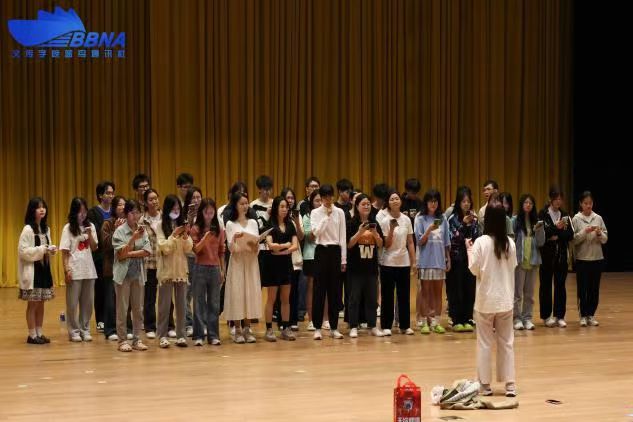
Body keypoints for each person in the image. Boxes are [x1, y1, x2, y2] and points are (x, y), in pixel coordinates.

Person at [466, 203, 518, 398]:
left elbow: (474, 270)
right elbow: (512, 267)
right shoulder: (510, 243)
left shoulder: (480, 242)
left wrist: (469, 250)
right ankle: (510, 385)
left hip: (485, 301)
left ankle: (485, 385)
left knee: (484, 343)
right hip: (505, 299)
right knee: (507, 343)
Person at [112, 199, 152, 352]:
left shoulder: (142, 230)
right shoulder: (119, 231)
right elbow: (121, 255)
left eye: (138, 213)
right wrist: (133, 239)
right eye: (132, 213)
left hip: (138, 274)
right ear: (126, 214)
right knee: (122, 309)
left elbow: (147, 251)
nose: (136, 216)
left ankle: (137, 339)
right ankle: (122, 340)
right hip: (123, 275)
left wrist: (130, 253)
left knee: (138, 309)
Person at [224, 192, 263, 343]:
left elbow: (256, 247)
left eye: (247, 203)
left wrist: (255, 245)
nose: (245, 206)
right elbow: (231, 249)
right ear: (235, 205)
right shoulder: (230, 224)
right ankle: (238, 329)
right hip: (238, 262)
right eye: (242, 203)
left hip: (251, 262)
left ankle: (247, 328)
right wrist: (234, 239)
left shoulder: (253, 222)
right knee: (238, 293)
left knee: (249, 293)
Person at [310, 184, 347, 340]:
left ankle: (334, 328)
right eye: (325, 197)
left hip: (335, 251)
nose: (328, 200)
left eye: (330, 196)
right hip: (321, 250)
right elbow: (316, 233)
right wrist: (326, 216)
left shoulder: (340, 212)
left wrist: (343, 259)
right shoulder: (315, 212)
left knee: (335, 291)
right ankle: (317, 328)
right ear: (321, 197)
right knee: (319, 291)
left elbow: (342, 236)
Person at [156, 194, 193, 348]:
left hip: (181, 270)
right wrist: (174, 235)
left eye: (178, 208)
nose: (176, 211)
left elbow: (189, 248)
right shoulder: (160, 225)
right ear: (167, 209)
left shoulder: (182, 224)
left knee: (181, 306)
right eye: (173, 208)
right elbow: (164, 248)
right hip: (166, 271)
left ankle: (181, 336)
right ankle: (162, 336)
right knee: (164, 306)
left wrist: (185, 235)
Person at [18, 197, 56, 344]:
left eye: (43, 207)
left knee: (41, 303)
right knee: (33, 303)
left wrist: (51, 250)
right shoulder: (28, 229)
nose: (42, 210)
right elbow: (22, 251)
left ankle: (39, 333)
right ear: (32, 210)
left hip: (44, 269)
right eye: (38, 207)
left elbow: (46, 247)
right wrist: (41, 249)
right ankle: (32, 335)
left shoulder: (46, 229)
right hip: (33, 271)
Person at [60, 197, 98, 342]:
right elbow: (64, 252)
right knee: (72, 303)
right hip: (74, 269)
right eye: (79, 211)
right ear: (74, 212)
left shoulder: (91, 226)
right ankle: (74, 331)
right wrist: (67, 270)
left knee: (88, 303)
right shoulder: (68, 228)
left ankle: (85, 329)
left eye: (85, 211)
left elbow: (94, 247)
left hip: (89, 270)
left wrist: (90, 235)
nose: (83, 214)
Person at [346, 194, 385, 337]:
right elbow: (349, 244)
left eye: (368, 203)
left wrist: (375, 234)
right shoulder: (352, 223)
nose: (367, 206)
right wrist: (360, 232)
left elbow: (380, 244)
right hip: (355, 268)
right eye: (363, 204)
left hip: (371, 268)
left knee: (371, 298)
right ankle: (353, 326)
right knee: (354, 298)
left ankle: (372, 326)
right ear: (357, 206)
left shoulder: (375, 223)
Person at [262, 196, 300, 341]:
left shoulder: (290, 225)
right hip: (272, 265)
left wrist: (283, 250)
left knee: (286, 299)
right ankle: (269, 329)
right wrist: (285, 245)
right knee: (271, 299)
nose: (285, 209)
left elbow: (295, 245)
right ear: (276, 208)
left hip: (286, 264)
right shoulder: (270, 224)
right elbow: (271, 246)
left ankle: (286, 328)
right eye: (282, 206)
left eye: (286, 207)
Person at [379, 190, 416, 336]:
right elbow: (386, 245)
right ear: (388, 203)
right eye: (392, 199)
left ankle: (405, 325)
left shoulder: (406, 220)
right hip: (388, 262)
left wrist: (414, 262)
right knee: (387, 295)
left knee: (404, 295)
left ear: (400, 201)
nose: (395, 201)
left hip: (404, 262)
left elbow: (410, 242)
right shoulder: (384, 221)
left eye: (397, 198)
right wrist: (392, 229)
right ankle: (386, 325)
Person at [414, 189, 451, 335]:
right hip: (425, 261)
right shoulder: (420, 218)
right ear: (426, 202)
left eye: (435, 201)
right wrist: (429, 229)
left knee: (437, 292)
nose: (433, 204)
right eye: (430, 201)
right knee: (425, 292)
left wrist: (448, 258)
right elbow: (419, 241)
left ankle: (435, 321)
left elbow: (446, 241)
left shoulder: (443, 218)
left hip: (439, 260)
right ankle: (424, 321)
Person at [190, 198, 226, 346]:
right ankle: (199, 335)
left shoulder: (219, 229)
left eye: (212, 212)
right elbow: (195, 250)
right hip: (200, 267)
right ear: (202, 212)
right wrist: (204, 238)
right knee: (199, 303)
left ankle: (213, 335)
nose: (209, 215)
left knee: (214, 303)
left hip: (215, 268)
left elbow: (221, 251)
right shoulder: (195, 229)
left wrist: (222, 270)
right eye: (206, 212)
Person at [538, 186, 574, 328]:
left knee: (560, 285)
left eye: (560, 199)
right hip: (546, 256)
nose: (558, 201)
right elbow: (542, 233)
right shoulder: (543, 214)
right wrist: (556, 228)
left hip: (561, 256)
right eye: (556, 199)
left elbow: (570, 234)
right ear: (550, 199)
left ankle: (560, 316)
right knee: (545, 285)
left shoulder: (565, 215)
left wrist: (556, 235)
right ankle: (546, 316)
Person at [446, 187, 480, 333]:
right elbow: (452, 239)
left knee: (469, 289)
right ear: (458, 203)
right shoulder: (452, 219)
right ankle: (456, 319)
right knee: (456, 289)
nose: (466, 204)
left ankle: (468, 318)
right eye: (463, 201)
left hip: (470, 259)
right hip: (456, 259)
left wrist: (471, 224)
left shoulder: (474, 219)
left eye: (468, 201)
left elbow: (477, 237)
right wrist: (463, 225)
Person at [572, 191, 608, 327]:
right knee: (583, 289)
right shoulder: (576, 219)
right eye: (586, 203)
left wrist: (599, 234)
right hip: (582, 259)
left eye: (590, 203)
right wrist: (584, 232)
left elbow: (605, 239)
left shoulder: (598, 218)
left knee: (594, 289)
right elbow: (573, 240)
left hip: (597, 258)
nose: (588, 206)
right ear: (581, 204)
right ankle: (583, 315)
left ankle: (591, 315)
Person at [512, 194, 545, 331]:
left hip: (533, 260)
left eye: (530, 203)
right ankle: (516, 318)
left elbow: (541, 242)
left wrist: (539, 230)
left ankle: (527, 318)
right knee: (517, 293)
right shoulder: (515, 220)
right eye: (526, 202)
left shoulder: (537, 221)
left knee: (529, 294)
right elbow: (511, 240)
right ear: (521, 204)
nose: (528, 205)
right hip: (519, 260)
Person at [87, 180, 115, 334]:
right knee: (100, 289)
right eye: (107, 193)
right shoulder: (93, 212)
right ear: (100, 195)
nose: (110, 196)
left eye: (112, 193)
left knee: (113, 289)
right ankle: (101, 320)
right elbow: (97, 234)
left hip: (114, 255)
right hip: (99, 256)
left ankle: (112, 318)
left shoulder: (115, 211)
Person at [100, 195, 127, 341]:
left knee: (125, 301)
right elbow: (105, 244)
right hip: (111, 267)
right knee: (111, 301)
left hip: (126, 266)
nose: (122, 207)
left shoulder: (129, 222)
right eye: (119, 205)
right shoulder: (108, 223)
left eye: (124, 205)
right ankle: (110, 329)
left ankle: (126, 328)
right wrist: (116, 230)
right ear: (114, 208)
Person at [301, 190, 329, 331]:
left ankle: (325, 319)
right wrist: (321, 225)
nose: (319, 203)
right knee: (312, 287)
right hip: (311, 255)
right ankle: (311, 320)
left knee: (326, 287)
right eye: (317, 200)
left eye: (321, 200)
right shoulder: (307, 216)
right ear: (311, 202)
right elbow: (310, 237)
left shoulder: (330, 215)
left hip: (327, 254)